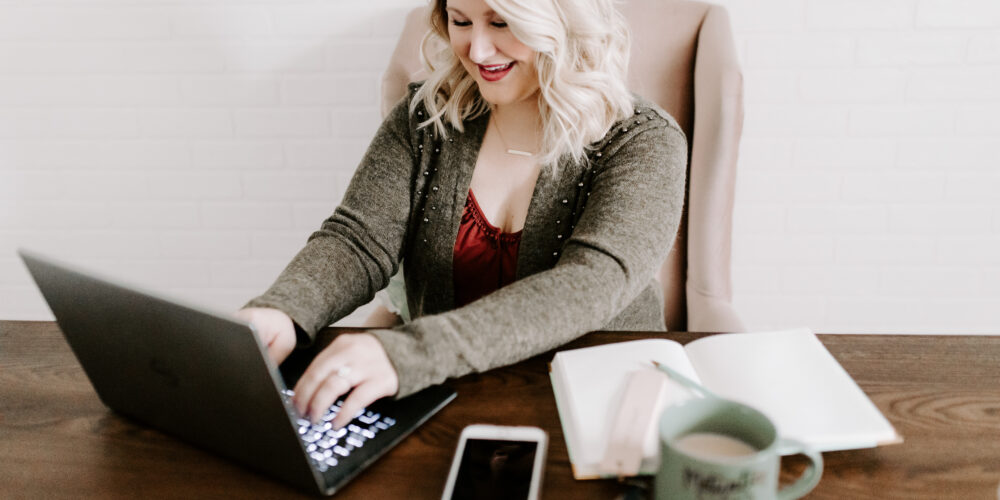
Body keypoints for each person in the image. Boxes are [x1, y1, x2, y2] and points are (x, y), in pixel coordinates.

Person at [237, 0, 687, 430]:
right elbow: (357, 241)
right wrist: (284, 310)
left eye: (502, 23)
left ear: (561, 18)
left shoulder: (645, 141)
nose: (477, 50)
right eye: (460, 21)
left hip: (600, 404)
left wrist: (410, 353)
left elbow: (593, 282)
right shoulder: (425, 118)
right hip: (442, 396)